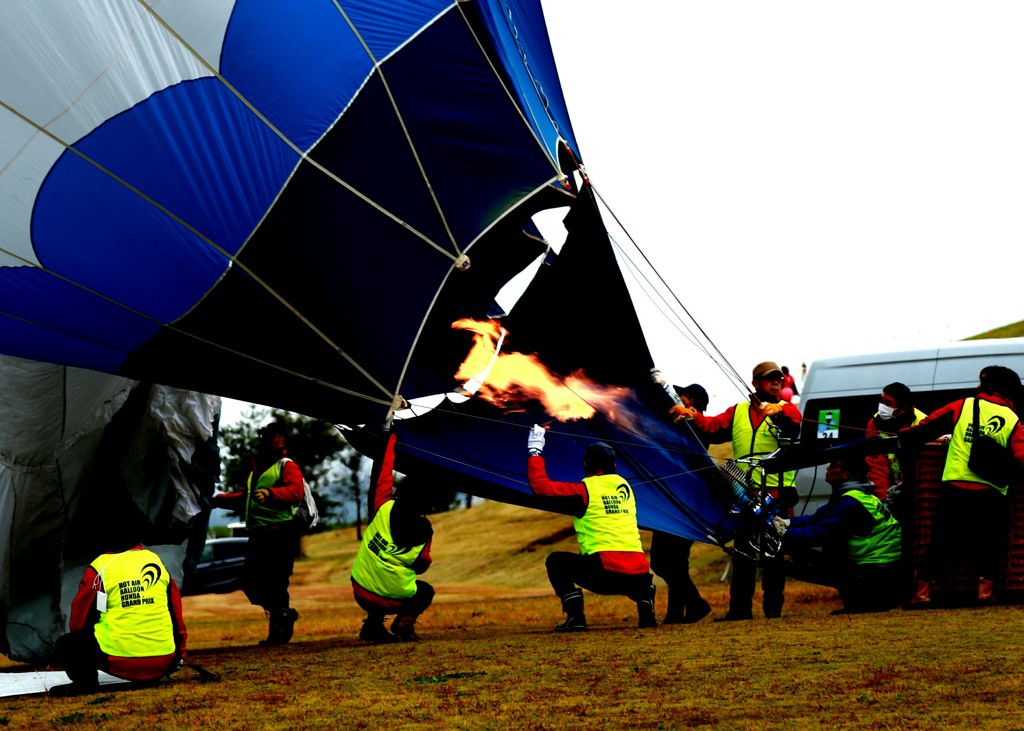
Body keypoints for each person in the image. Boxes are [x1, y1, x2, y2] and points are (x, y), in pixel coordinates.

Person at [670, 361, 801, 620]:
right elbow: (712, 427)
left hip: (778, 491)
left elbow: (792, 426)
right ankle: (740, 610)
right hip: (745, 492)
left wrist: (776, 412)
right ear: (755, 383)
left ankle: (773, 610)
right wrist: (691, 414)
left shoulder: (788, 409)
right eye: (769, 379)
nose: (776, 383)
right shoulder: (738, 411)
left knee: (773, 553)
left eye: (778, 380)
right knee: (743, 551)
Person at [899, 365, 1024, 605]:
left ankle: (922, 593)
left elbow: (927, 428)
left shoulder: (963, 405)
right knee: (990, 543)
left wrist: (903, 435)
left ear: (988, 386)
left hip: (956, 485)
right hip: (993, 491)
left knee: (941, 540)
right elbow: (1021, 456)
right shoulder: (1013, 418)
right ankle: (985, 593)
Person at [526, 425, 657, 631]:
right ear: (614, 465)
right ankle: (646, 606)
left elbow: (541, 487)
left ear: (586, 464)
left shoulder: (584, 490)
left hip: (605, 573)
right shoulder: (626, 488)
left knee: (556, 561)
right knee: (637, 578)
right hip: (639, 573)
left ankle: (575, 617)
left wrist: (535, 451)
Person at [51, 541, 187, 696]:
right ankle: (151, 673)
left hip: (119, 661)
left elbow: (80, 616)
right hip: (163, 661)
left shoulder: (101, 565)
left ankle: (85, 684)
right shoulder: (155, 561)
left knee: (67, 643)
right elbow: (176, 614)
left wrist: (81, 646)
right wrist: (179, 654)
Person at [771, 455, 903, 614]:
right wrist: (787, 522)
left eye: (833, 465)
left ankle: (858, 605)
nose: (827, 468)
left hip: (875, 576)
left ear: (846, 474)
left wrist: (784, 534)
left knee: (830, 546)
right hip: (881, 571)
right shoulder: (855, 495)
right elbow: (816, 519)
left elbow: (820, 532)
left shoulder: (850, 503)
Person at [212, 420, 304, 646]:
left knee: (277, 582)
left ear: (283, 439)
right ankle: (283, 614)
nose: (269, 439)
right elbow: (245, 498)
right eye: (267, 435)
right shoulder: (257, 468)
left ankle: (278, 632)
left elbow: (296, 492)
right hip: (258, 535)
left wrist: (271, 494)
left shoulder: (287, 466)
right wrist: (215, 501)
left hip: (280, 534)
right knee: (250, 581)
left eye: (274, 435)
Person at [351, 429, 435, 643]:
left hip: (360, 589)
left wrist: (390, 438)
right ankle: (404, 622)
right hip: (394, 598)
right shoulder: (425, 530)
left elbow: (382, 473)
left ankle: (373, 626)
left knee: (379, 579)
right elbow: (422, 565)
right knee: (424, 591)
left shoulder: (383, 506)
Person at [650, 383, 713, 624]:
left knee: (661, 560)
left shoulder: (692, 430)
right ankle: (677, 613)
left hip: (680, 502)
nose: (676, 399)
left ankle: (696, 603)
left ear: (691, 403)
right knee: (676, 562)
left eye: (682, 396)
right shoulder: (687, 427)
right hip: (685, 502)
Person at [864, 382, 927, 501]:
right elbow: (876, 464)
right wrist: (882, 498)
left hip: (917, 488)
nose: (882, 406)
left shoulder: (922, 423)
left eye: (888, 403)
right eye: (881, 401)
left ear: (902, 408)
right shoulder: (874, 423)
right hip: (890, 485)